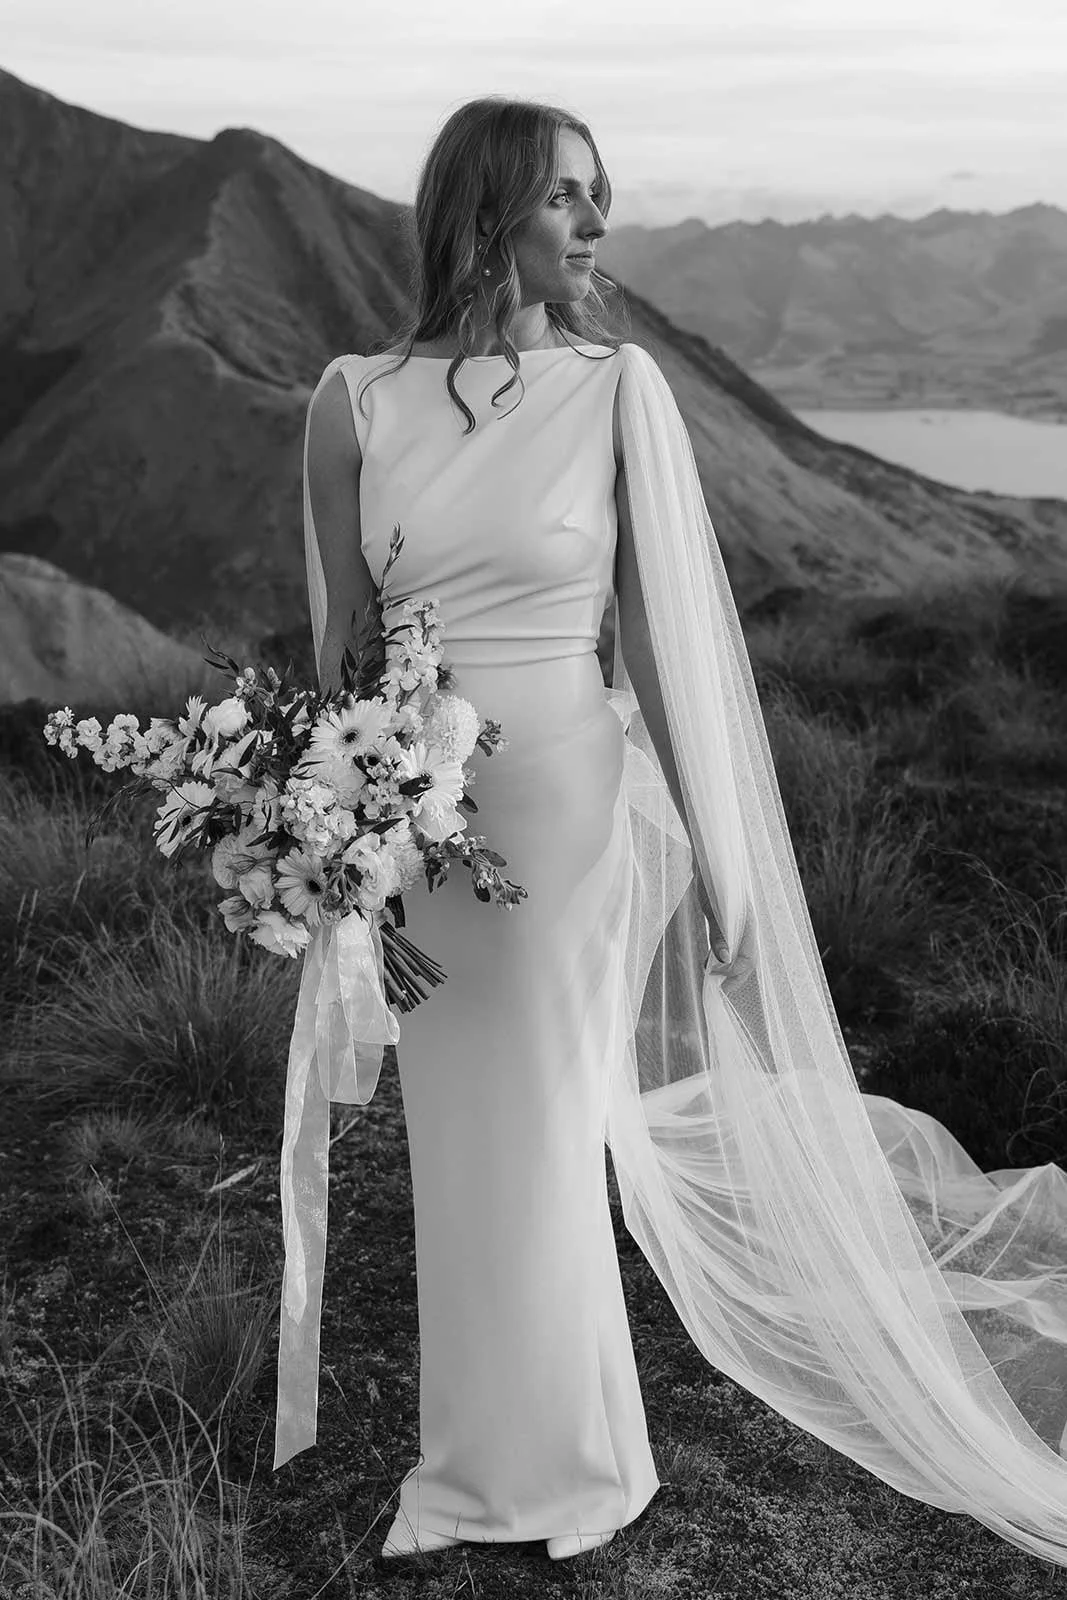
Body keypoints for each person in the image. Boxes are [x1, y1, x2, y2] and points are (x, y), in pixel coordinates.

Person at [276, 96, 1067, 1572]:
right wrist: (334, 828)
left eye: (600, 193)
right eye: (565, 196)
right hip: (419, 829)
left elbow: (659, 645)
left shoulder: (614, 389)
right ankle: (487, 1463)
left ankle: (565, 1471)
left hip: (561, 809)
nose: (595, 223)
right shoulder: (351, 400)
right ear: (485, 212)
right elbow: (341, 648)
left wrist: (717, 848)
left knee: (544, 1126)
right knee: (464, 1141)